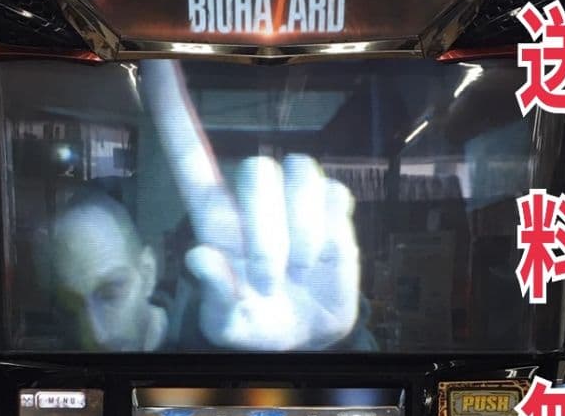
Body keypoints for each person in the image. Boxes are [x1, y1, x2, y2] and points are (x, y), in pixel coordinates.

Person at [47, 60, 363, 352]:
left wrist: (320, 349)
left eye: (111, 294)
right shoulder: (61, 361)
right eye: (69, 308)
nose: (96, 335)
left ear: (148, 271)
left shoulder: (214, 335)